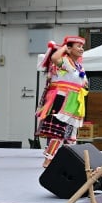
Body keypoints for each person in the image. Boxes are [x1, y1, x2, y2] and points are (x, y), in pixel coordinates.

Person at [36, 36, 88, 168]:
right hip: (63, 99)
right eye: (78, 46)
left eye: (82, 46)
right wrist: (65, 46)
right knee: (58, 131)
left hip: (75, 101)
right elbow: (54, 58)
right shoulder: (65, 61)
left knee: (71, 134)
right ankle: (48, 159)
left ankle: (69, 161)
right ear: (69, 49)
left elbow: (83, 83)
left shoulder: (79, 66)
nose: (81, 49)